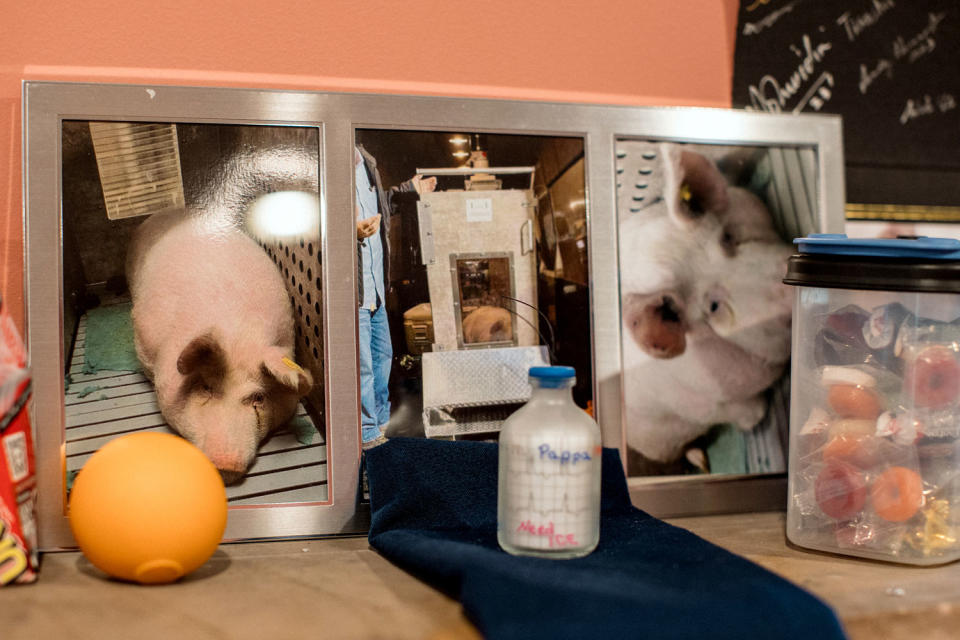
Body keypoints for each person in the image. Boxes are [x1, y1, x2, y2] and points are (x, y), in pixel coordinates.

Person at [355, 145, 435, 448]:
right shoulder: (328, 157)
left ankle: (379, 420)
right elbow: (316, 217)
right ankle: (365, 432)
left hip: (375, 284)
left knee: (382, 356)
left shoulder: (365, 161)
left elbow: (382, 205)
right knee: (362, 365)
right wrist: (350, 230)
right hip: (356, 288)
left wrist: (408, 189)